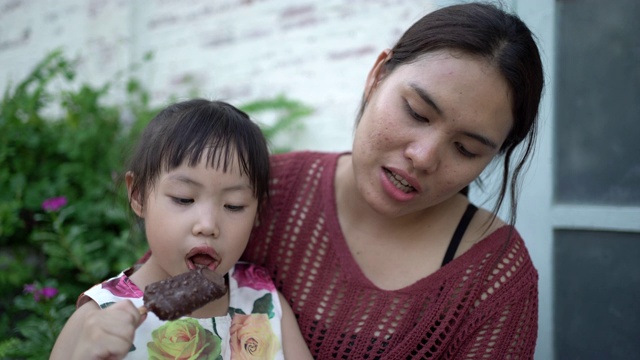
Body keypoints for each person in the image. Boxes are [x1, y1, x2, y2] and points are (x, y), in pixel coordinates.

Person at [241, 2, 544, 359]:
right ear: (378, 75)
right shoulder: (260, 191)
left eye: (465, 149)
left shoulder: (494, 279)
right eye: (417, 113)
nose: (424, 156)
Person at [50, 99, 313, 359]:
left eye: (234, 205)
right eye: (183, 198)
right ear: (139, 196)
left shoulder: (265, 304)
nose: (208, 225)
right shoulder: (96, 320)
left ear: (257, 212)